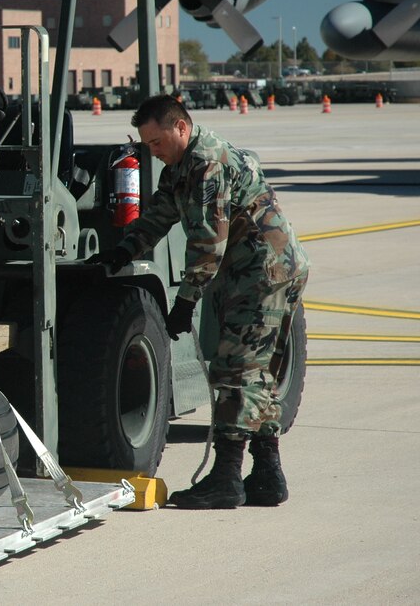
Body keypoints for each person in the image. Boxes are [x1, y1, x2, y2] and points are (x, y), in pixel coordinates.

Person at [89, 94, 310, 509]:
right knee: (257, 374)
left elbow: (209, 243)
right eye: (147, 144)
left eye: (157, 141)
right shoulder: (180, 167)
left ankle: (226, 477)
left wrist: (185, 302)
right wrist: (123, 251)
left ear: (181, 128)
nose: (152, 151)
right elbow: (158, 216)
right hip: (254, 271)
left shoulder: (207, 165)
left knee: (235, 370)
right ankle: (266, 474)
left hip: (264, 273)